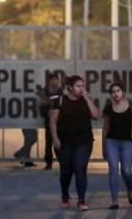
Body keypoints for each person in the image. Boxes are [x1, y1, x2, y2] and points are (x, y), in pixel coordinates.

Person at [49, 75, 100, 211]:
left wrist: (87, 99)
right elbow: (52, 121)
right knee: (66, 170)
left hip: (84, 141)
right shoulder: (59, 101)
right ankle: (65, 196)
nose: (81, 88)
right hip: (64, 141)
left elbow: (96, 116)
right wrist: (55, 138)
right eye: (78, 86)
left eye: (82, 86)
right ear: (70, 87)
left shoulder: (86, 100)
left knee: (80, 168)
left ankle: (81, 201)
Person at [102, 82, 132, 209]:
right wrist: (104, 147)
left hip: (127, 142)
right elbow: (105, 129)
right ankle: (114, 201)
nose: (115, 93)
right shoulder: (108, 108)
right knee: (113, 170)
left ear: (122, 92)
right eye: (113, 92)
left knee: (126, 171)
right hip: (111, 142)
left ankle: (130, 189)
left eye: (118, 90)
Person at [36, 73, 63, 170]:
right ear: (49, 81)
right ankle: (48, 163)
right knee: (49, 142)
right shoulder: (44, 92)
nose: (54, 81)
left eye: (56, 79)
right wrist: (45, 103)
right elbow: (39, 104)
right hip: (49, 120)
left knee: (60, 141)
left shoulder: (61, 91)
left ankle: (62, 161)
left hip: (60, 121)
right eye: (52, 79)